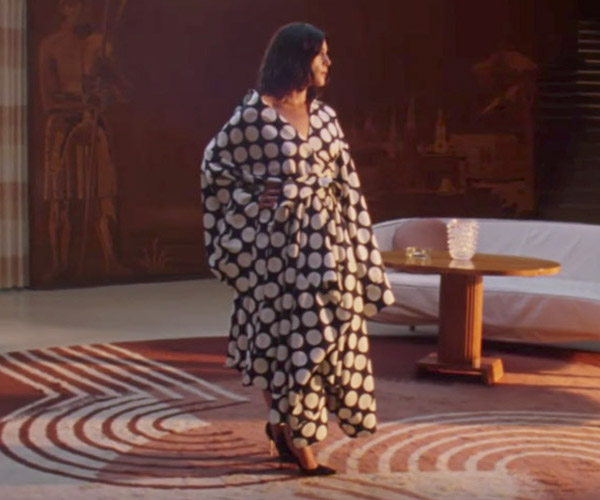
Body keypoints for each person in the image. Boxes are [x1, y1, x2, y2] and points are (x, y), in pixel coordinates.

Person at [200, 22, 394, 476]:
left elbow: (347, 182)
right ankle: (294, 439)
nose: (328, 61)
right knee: (279, 340)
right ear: (296, 59)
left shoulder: (325, 117)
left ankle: (286, 428)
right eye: (320, 54)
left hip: (329, 250)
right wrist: (254, 196)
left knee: (330, 332)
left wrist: (359, 250)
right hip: (277, 252)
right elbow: (214, 167)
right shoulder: (255, 116)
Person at [38, 0, 128, 280]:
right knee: (60, 199)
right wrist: (81, 100)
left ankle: (111, 261)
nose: (84, 10)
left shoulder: (100, 44)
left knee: (105, 196)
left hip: (93, 125)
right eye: (76, 4)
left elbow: (123, 91)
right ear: (64, 7)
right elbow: (48, 101)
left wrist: (106, 93)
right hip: (62, 128)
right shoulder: (49, 46)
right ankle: (59, 265)